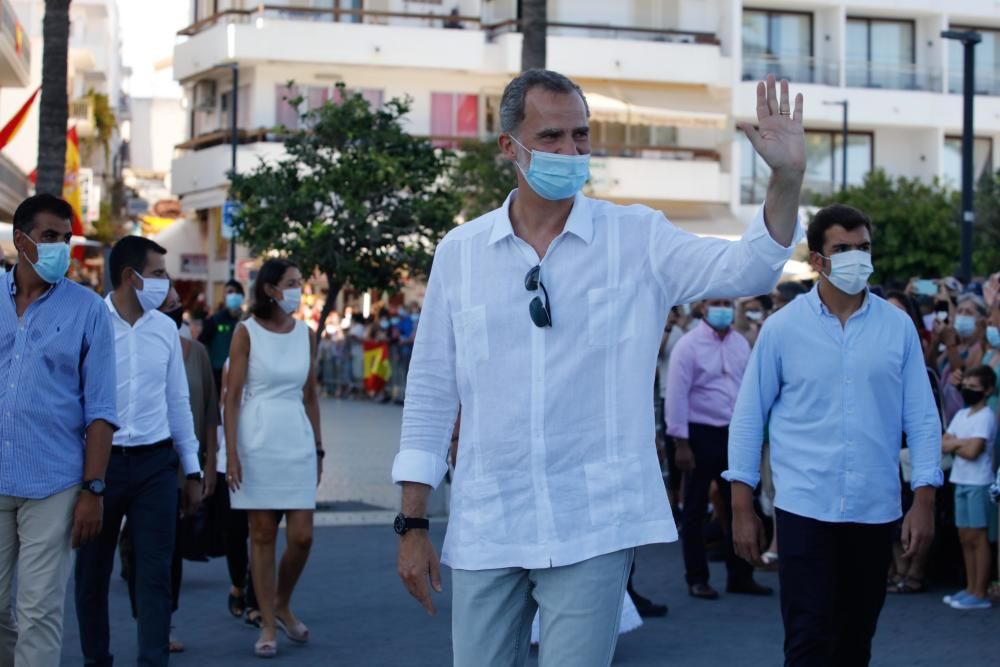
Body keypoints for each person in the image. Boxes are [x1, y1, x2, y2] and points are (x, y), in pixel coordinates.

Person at [393, 69, 805, 667]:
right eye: (553, 137)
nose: (571, 151)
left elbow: (749, 269)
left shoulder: (636, 237)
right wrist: (412, 522)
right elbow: (431, 392)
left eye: (581, 136)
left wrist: (786, 179)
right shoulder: (460, 253)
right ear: (510, 146)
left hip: (593, 521)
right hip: (490, 518)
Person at [726, 204, 941, 667]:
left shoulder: (897, 327)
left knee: (855, 641)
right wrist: (741, 505)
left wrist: (924, 498)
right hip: (804, 507)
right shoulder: (783, 329)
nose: (856, 258)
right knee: (807, 640)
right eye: (842, 249)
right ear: (818, 260)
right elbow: (748, 416)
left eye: (863, 248)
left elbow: (923, 418)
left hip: (874, 507)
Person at [0, 194, 119, 666]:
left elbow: (102, 409)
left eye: (65, 239)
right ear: (20, 239)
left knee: (38, 611)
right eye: (49, 237)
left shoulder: (88, 310)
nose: (59, 248)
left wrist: (93, 488)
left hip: (54, 480)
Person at [75, 237, 205, 667]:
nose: (166, 284)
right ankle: (97, 658)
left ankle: (153, 660)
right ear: (131, 277)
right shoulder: (90, 322)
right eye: (158, 274)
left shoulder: (166, 330)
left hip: (155, 465)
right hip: (100, 465)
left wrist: (192, 469)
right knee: (92, 574)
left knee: (155, 575)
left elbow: (178, 403)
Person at [224, 259, 323, 658]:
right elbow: (231, 397)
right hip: (256, 438)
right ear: (269, 289)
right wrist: (231, 453)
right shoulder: (245, 331)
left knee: (302, 536)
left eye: (301, 283)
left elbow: (312, 395)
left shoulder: (307, 334)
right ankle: (267, 621)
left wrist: (319, 448)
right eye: (292, 283)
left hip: (296, 438)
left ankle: (282, 601)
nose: (299, 290)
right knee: (262, 533)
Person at [666, 298, 772, 600]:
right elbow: (676, 395)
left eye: (727, 303)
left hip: (734, 433)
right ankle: (697, 578)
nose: (722, 308)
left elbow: (750, 386)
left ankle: (741, 575)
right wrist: (681, 443)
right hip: (699, 433)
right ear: (702, 308)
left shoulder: (740, 342)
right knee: (696, 509)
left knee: (740, 504)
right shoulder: (688, 346)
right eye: (716, 303)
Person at [941, 364, 997, 610]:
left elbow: (974, 451)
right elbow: (943, 443)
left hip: (978, 481)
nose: (968, 391)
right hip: (960, 479)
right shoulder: (961, 415)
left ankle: (980, 591)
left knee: (978, 536)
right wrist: (960, 443)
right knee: (964, 536)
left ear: (987, 390)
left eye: (974, 388)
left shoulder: (987, 416)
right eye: (966, 387)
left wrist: (957, 444)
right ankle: (970, 587)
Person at [200, 279, 246, 393]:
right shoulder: (215, 320)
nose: (232, 296)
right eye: (229, 292)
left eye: (235, 292)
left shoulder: (248, 321)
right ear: (224, 297)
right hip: (218, 374)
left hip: (243, 372)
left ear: (242, 296)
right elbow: (202, 344)